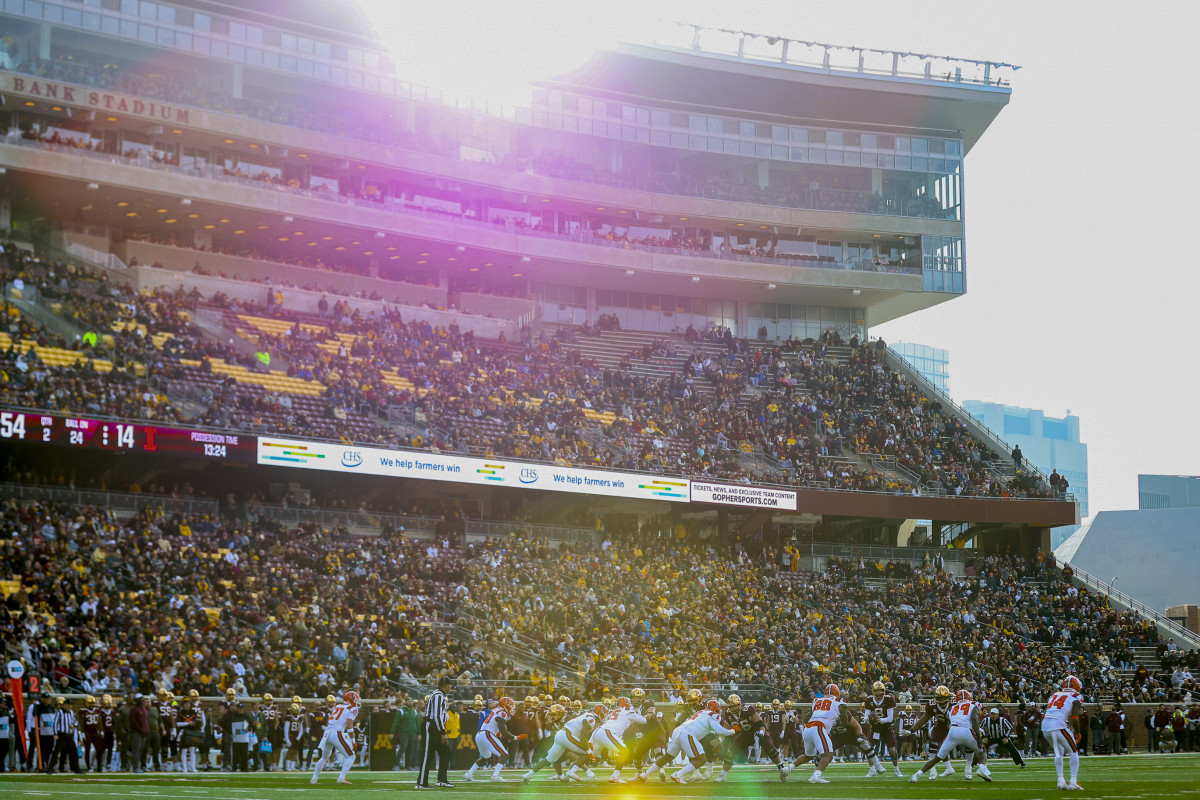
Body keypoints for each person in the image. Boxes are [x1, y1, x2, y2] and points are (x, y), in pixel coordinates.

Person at [640, 697, 734, 784]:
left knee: (667, 757)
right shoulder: (713, 715)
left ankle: (645, 774)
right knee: (700, 759)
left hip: (678, 731)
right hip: (687, 733)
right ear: (717, 708)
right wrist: (733, 730)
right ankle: (678, 774)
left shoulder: (701, 712)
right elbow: (720, 731)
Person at [909, 689, 992, 783]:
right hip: (967, 730)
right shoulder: (974, 704)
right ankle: (981, 768)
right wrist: (978, 735)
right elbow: (973, 718)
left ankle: (917, 775)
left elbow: (950, 720)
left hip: (953, 732)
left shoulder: (952, 708)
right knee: (982, 751)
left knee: (937, 757)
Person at [310, 690, 360, 786]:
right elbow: (349, 726)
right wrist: (353, 741)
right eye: (355, 700)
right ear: (351, 700)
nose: (357, 702)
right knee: (351, 756)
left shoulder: (338, 706)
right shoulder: (353, 709)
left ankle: (314, 779)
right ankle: (341, 778)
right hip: (337, 733)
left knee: (324, 757)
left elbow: (331, 721)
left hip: (327, 733)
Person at [463, 694, 513, 783]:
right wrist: (512, 737)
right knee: (504, 755)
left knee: (486, 756)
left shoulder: (495, 710)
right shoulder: (502, 712)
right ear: (506, 706)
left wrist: (501, 734)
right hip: (487, 734)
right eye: (511, 707)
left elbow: (496, 727)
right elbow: (502, 729)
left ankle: (469, 773)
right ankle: (495, 776)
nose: (511, 709)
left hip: (480, 734)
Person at [418, 676, 454, 788]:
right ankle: (421, 783)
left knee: (446, 751)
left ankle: (441, 780)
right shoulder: (438, 696)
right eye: (449, 684)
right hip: (431, 725)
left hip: (435, 726)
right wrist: (443, 732)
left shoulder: (440, 695)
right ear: (445, 685)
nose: (450, 687)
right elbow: (437, 715)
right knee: (427, 754)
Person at [862, 681, 903, 777]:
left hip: (887, 728)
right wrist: (868, 719)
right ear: (873, 691)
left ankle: (897, 769)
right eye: (877, 691)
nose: (880, 693)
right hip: (876, 728)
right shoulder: (869, 700)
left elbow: (890, 718)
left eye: (881, 690)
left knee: (892, 750)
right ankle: (872, 770)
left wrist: (880, 720)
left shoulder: (889, 699)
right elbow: (865, 717)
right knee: (868, 748)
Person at [51, 696, 83, 774]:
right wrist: (55, 733)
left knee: (74, 752)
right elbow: (55, 724)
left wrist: (73, 724)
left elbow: (75, 721)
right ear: (64, 705)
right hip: (62, 735)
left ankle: (76, 769)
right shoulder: (59, 712)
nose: (70, 706)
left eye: (71, 705)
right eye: (68, 705)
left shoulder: (71, 712)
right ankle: (50, 768)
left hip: (69, 735)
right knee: (56, 752)